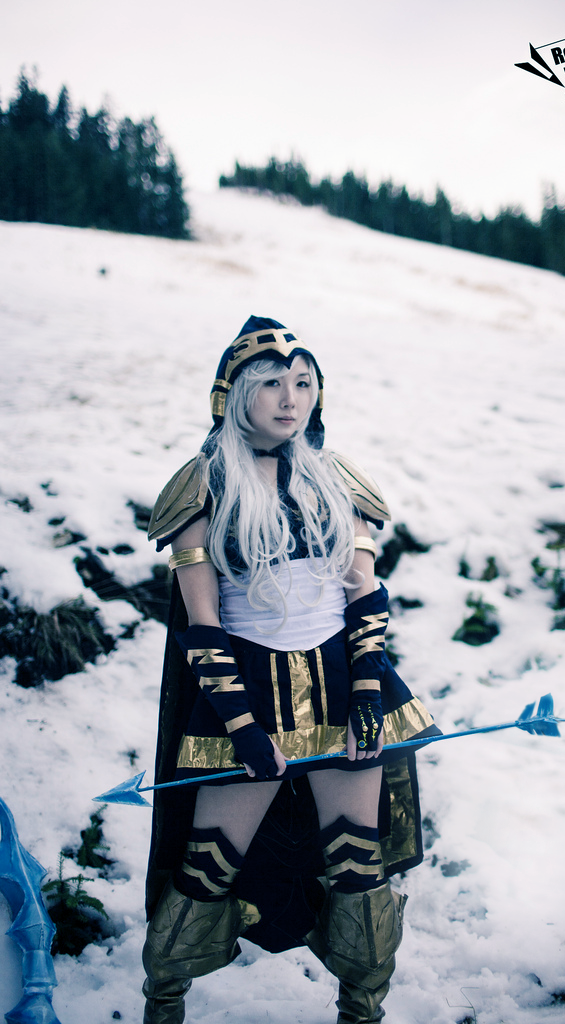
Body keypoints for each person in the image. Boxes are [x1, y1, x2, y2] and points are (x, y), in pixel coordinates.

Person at [142, 316, 439, 1024]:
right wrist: (242, 728)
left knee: (358, 866)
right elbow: (202, 625)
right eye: (272, 383)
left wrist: (366, 695)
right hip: (246, 693)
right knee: (208, 866)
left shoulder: (336, 481)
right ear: (235, 392)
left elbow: (364, 599)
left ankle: (361, 1011)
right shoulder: (203, 486)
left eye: (303, 383)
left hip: (340, 688)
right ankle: (163, 1005)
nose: (290, 398)